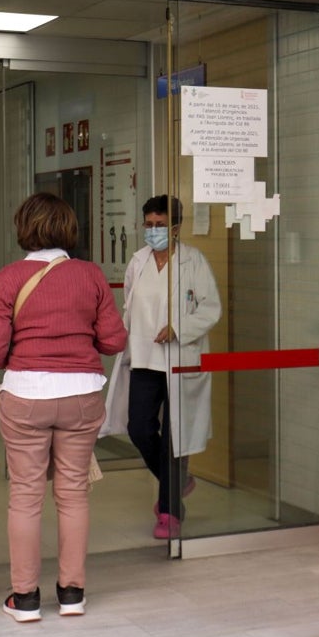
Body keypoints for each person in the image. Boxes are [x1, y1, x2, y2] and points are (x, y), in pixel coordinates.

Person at [0, 192, 127, 623]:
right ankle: (72, 593)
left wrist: (25, 360)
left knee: (25, 497)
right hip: (81, 396)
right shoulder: (91, 275)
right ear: (69, 229)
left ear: (23, 229)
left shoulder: (9, 277)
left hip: (26, 397)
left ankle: (24, 599)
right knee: (73, 493)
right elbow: (114, 341)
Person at [101, 195, 221, 539]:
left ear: (176, 227)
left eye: (160, 225)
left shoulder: (193, 261)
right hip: (142, 358)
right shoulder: (137, 261)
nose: (153, 231)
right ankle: (179, 482)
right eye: (149, 225)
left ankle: (169, 512)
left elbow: (211, 309)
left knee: (173, 436)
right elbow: (129, 305)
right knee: (139, 428)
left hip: (180, 359)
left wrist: (178, 327)